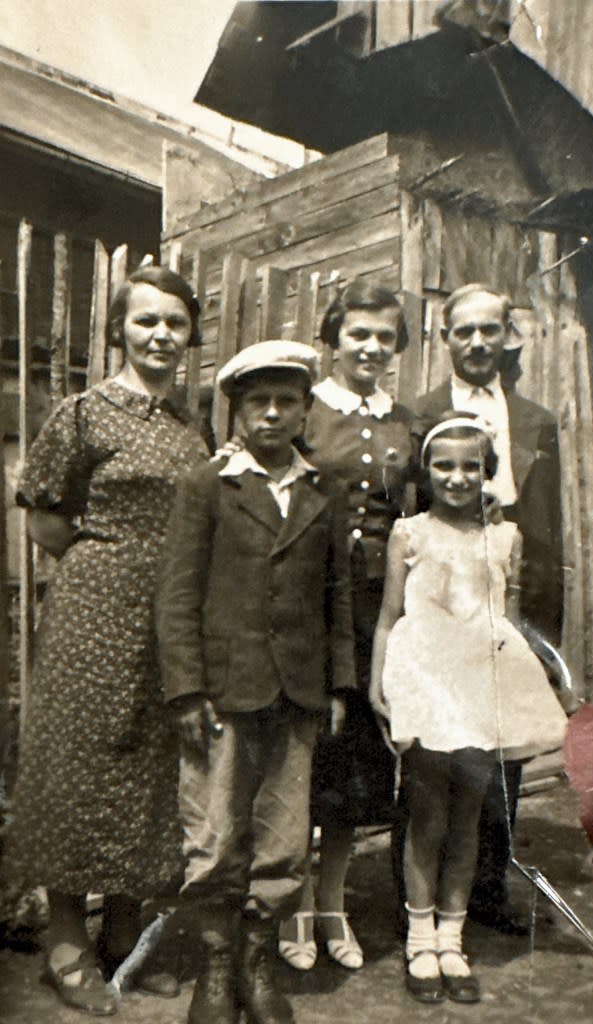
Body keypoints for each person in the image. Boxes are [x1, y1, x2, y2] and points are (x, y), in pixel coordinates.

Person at [3, 266, 209, 1015]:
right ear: (119, 329)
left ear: (190, 336)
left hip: (170, 623)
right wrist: (109, 570)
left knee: (150, 770)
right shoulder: (84, 414)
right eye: (145, 320)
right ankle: (65, 940)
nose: (160, 335)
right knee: (78, 768)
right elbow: (44, 518)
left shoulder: (195, 428)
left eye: (175, 323)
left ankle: (125, 933)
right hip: (93, 616)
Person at [156, 341, 356, 1024]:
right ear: (236, 410)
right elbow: (178, 594)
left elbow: (339, 597)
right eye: (257, 403)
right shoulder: (207, 485)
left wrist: (337, 687)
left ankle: (256, 959)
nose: (272, 415)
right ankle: (215, 964)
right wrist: (185, 689)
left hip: (296, 691)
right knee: (213, 835)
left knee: (283, 837)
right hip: (222, 691)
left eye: (287, 402)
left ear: (306, 410)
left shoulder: (322, 489)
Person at [370, 415, 567, 1005]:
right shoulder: (409, 533)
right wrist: (381, 687)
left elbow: (506, 620)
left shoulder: (504, 538)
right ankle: (420, 939)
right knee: (426, 815)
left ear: (489, 474)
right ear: (425, 472)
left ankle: (452, 939)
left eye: (470, 467)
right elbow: (387, 618)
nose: (457, 478)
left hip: (482, 685)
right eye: (443, 466)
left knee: (468, 819)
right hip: (427, 684)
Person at [412, 284, 564, 935]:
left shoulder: (535, 422)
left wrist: (545, 639)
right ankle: (417, 895)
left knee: (502, 761)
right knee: (432, 758)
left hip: (509, 612)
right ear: (443, 338)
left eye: (489, 331)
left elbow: (550, 538)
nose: (476, 343)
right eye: (462, 331)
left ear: (508, 337)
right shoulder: (415, 414)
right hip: (439, 610)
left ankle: (486, 889)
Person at [277, 279, 413, 972]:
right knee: (303, 753)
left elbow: (410, 519)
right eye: (358, 333)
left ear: (397, 347)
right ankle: (291, 905)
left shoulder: (403, 422)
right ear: (334, 337)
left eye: (384, 337)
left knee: (355, 764)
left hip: (373, 612)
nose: (371, 347)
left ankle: (332, 904)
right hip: (305, 603)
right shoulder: (305, 411)